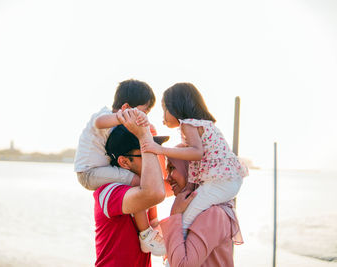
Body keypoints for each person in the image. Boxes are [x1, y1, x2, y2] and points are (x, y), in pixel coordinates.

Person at [142, 82, 248, 238]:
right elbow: (191, 148)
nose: (163, 115)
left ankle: (172, 252)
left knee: (186, 218)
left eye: (165, 109)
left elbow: (197, 152)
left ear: (177, 107)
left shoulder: (188, 125)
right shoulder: (202, 124)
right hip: (227, 180)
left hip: (220, 183)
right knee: (191, 212)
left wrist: (160, 149)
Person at [74, 79, 166, 255]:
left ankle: (150, 225)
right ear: (125, 108)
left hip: (98, 171)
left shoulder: (117, 128)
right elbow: (99, 122)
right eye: (144, 111)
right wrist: (122, 118)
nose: (146, 116)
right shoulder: (105, 116)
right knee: (139, 182)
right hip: (89, 173)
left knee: (142, 182)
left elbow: (160, 188)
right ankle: (146, 234)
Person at [93, 110, 166, 266]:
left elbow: (165, 187)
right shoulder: (108, 192)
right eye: (147, 153)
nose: (153, 158)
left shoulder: (143, 187)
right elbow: (155, 193)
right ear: (124, 162)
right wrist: (144, 136)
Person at [160, 157, 243, 267]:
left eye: (172, 168)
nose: (168, 178)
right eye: (167, 171)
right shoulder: (194, 209)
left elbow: (182, 264)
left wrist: (175, 215)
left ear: (192, 171)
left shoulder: (213, 214)